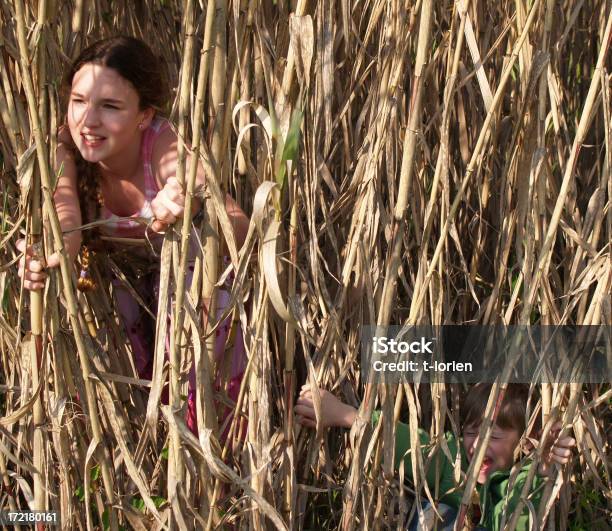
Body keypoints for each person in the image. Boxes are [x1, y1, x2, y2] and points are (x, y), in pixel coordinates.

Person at [17, 36, 249, 435]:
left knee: (200, 293)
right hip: (118, 291)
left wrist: (189, 198)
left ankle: (212, 448)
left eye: (109, 106)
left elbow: (239, 227)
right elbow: (65, 216)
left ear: (144, 115)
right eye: (78, 101)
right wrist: (48, 255)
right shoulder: (63, 150)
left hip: (184, 294)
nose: (87, 121)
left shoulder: (161, 142)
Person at [295, 383, 576, 530]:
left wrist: (542, 466)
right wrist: (346, 415)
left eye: (494, 436)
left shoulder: (524, 479)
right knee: (432, 514)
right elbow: (411, 445)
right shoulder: (454, 463)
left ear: (525, 442)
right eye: (471, 432)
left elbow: (519, 517)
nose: (477, 445)